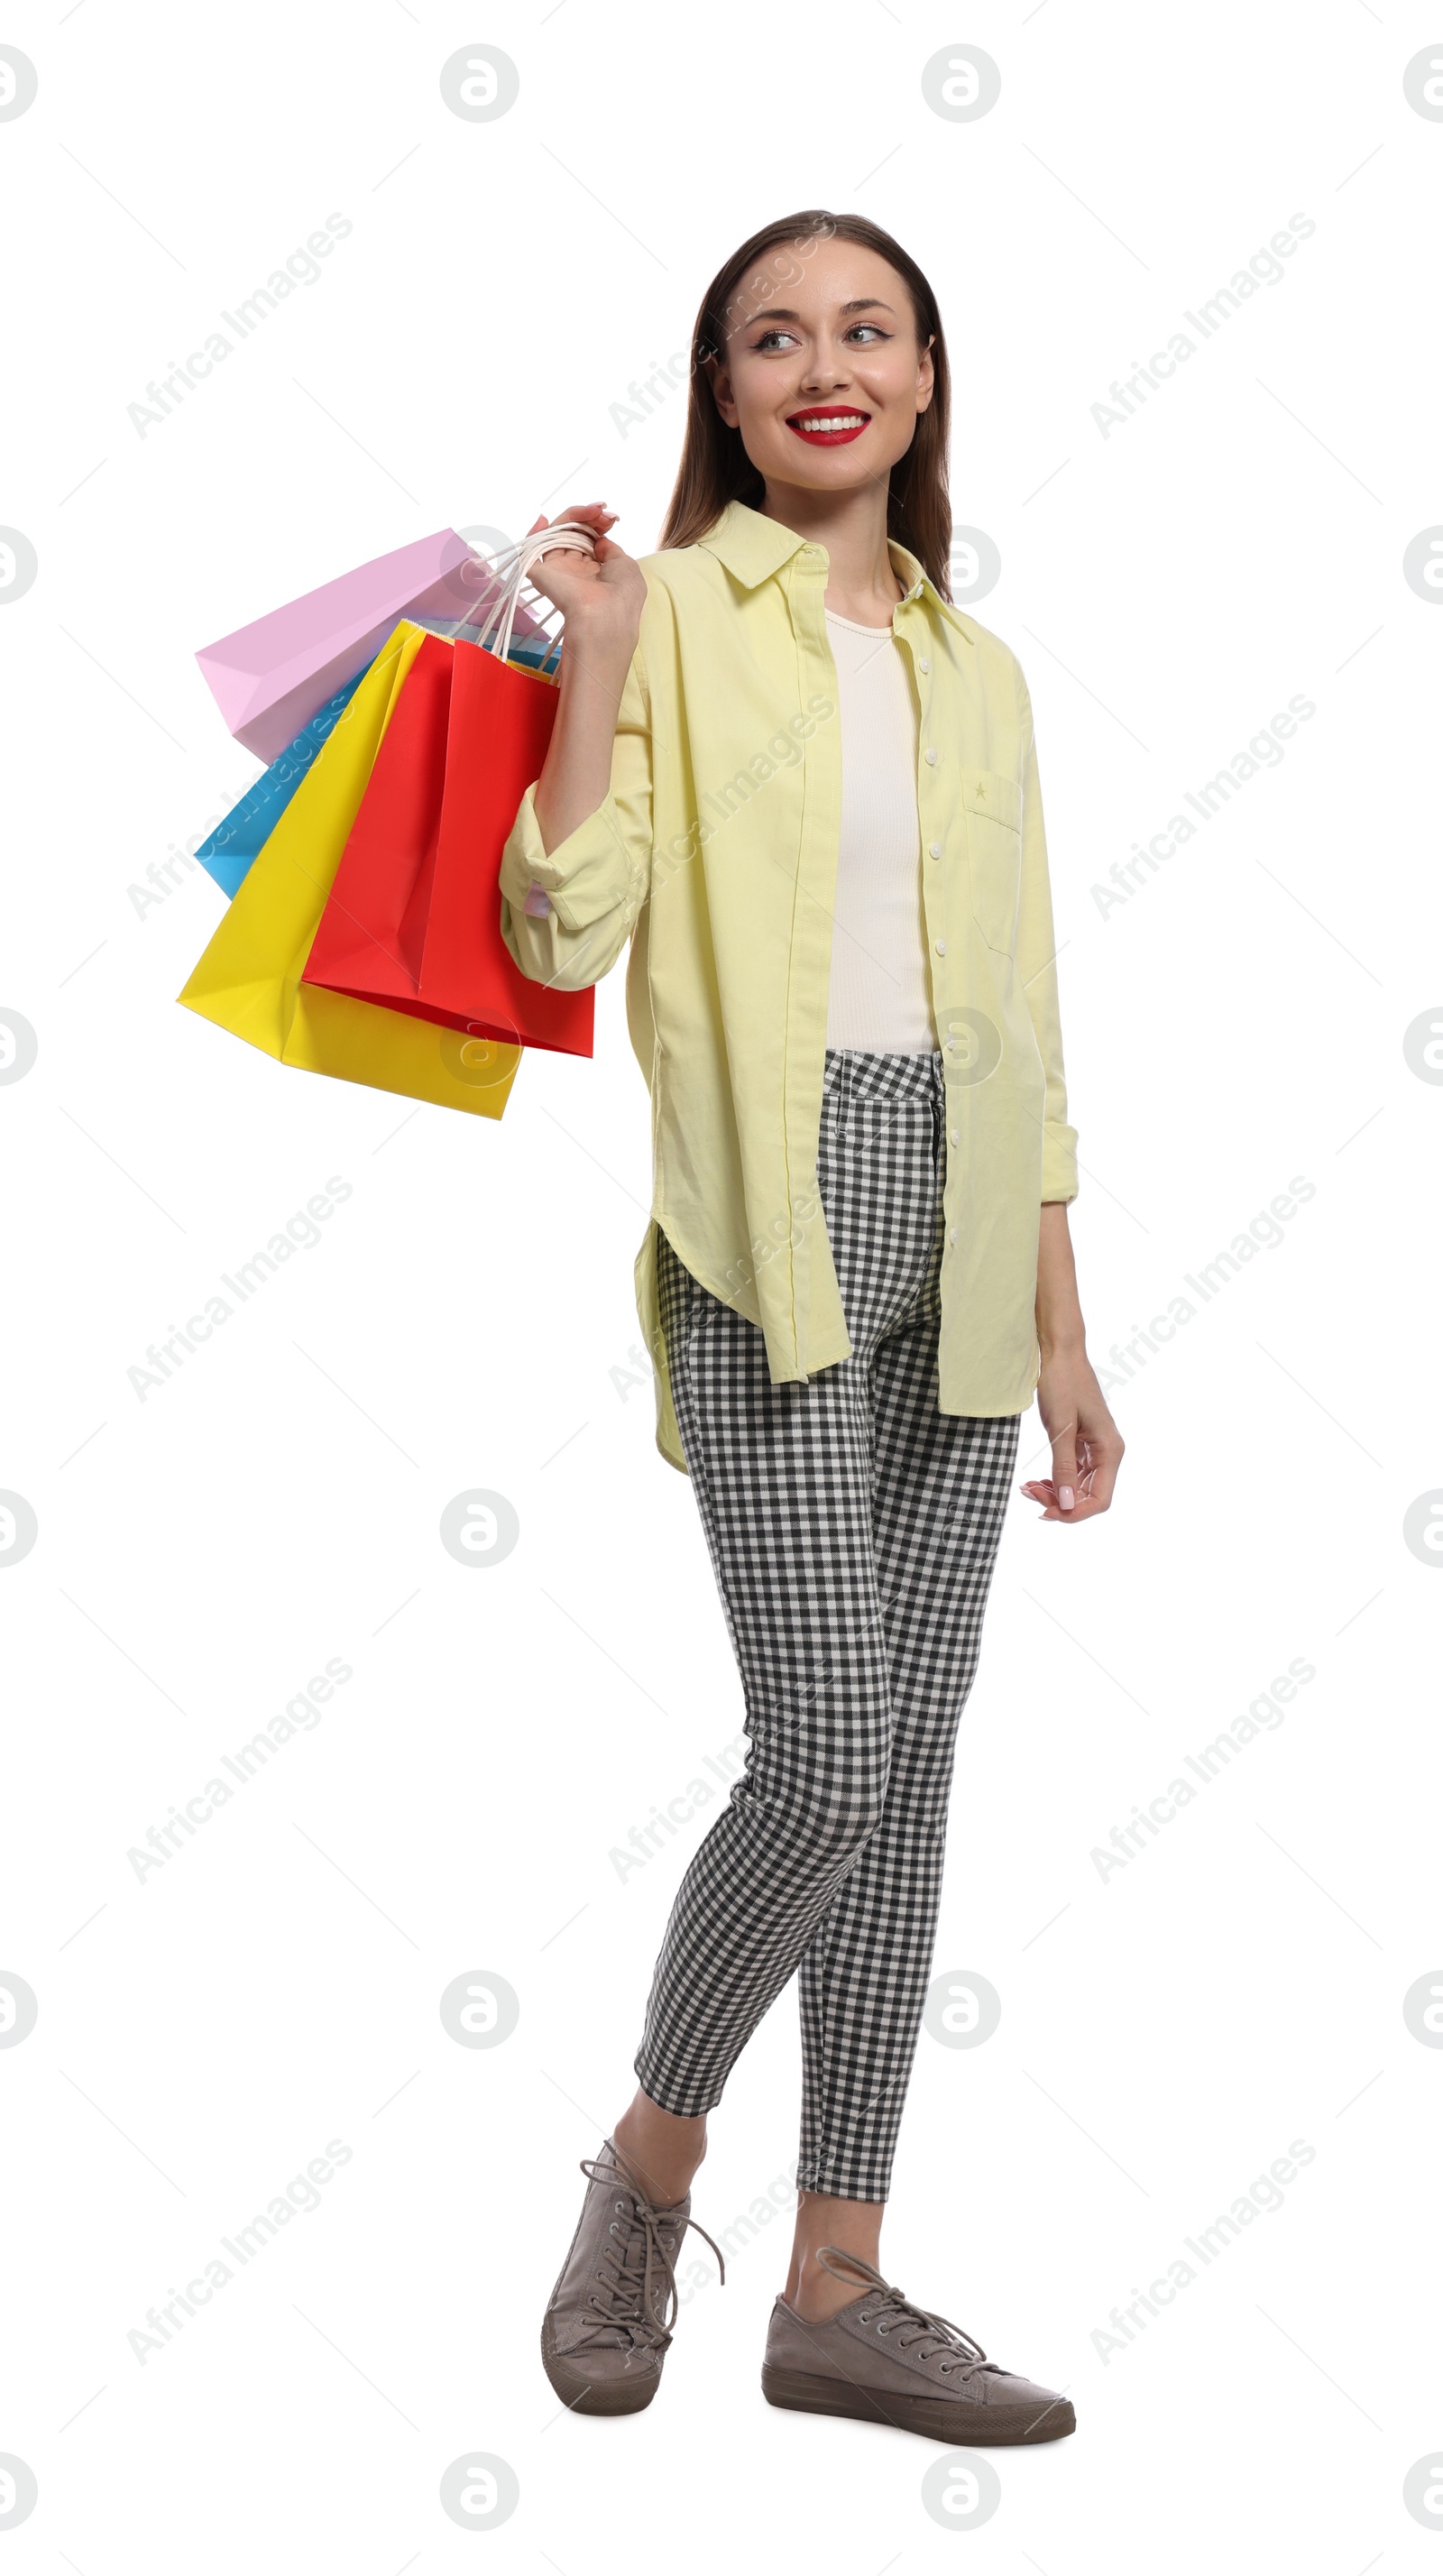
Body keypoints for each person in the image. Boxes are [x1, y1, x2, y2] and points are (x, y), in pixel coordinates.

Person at [498, 207, 1123, 2444]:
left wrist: (1062, 1324)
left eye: (866, 329)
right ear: (726, 392)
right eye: (775, 338)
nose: (823, 364)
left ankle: (836, 2285)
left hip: (965, 1233)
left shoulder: (982, 670)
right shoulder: (665, 613)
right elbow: (562, 935)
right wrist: (586, 660)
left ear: (926, 380)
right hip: (767, 1229)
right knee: (828, 1754)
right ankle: (645, 2174)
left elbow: (1025, 1019)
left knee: (911, 1771)